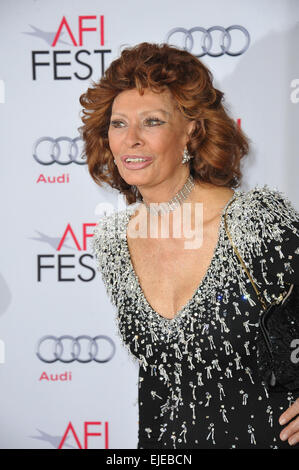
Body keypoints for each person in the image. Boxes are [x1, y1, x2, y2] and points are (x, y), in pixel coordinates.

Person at [79, 42, 299, 449]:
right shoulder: (113, 243)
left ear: (192, 131)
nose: (131, 140)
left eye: (152, 122)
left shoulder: (256, 223)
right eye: (119, 123)